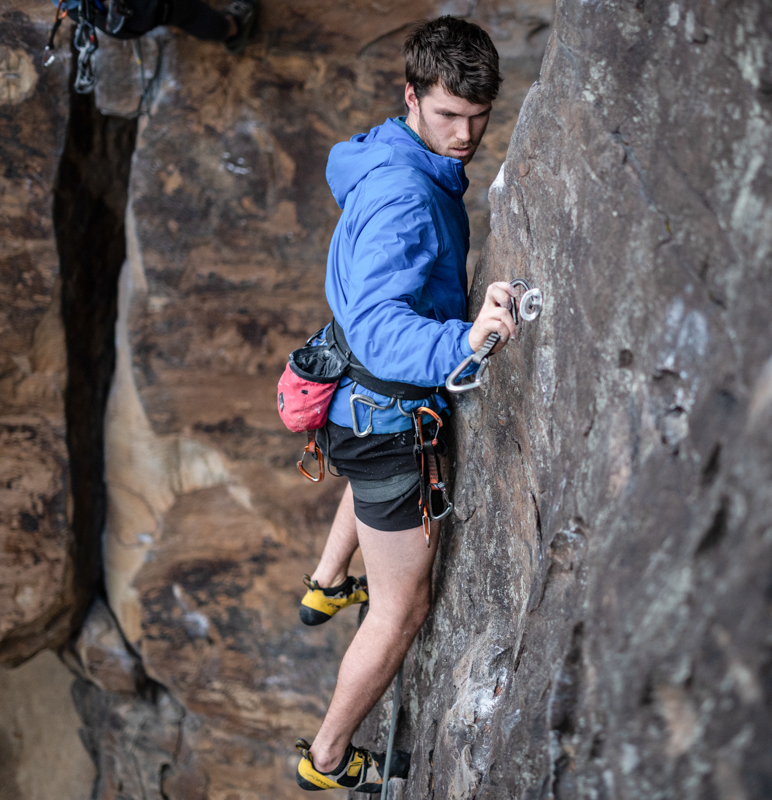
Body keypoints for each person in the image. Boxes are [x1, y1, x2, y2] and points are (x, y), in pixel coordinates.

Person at [291, 16, 519, 793]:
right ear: (412, 96)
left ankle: (327, 579)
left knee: (367, 495)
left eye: (478, 117)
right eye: (449, 116)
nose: (465, 135)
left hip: (349, 401)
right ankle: (325, 757)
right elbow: (387, 333)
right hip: (387, 425)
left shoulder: (386, 153)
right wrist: (468, 339)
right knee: (401, 608)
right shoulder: (405, 199)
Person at [57, 0, 257, 55]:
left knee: (181, 13)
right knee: (188, 12)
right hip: (134, 9)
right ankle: (233, 29)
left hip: (112, 19)